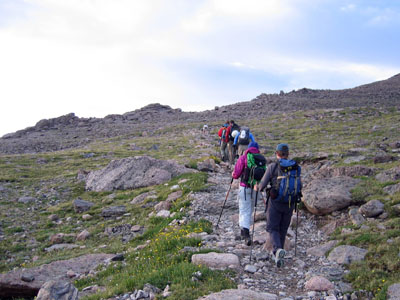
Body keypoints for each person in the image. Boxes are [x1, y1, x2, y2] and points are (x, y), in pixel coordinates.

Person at [257, 143, 302, 268]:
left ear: (277, 153)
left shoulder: (273, 166)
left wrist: (258, 187)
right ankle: (279, 255)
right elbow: (300, 184)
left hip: (275, 201)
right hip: (290, 202)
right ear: (288, 154)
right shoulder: (295, 167)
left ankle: (277, 250)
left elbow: (262, 185)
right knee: (283, 228)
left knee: (272, 227)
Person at [231, 141, 263, 246]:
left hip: (244, 187)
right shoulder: (261, 160)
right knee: (250, 209)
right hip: (256, 188)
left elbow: (236, 174)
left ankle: (246, 234)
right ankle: (243, 232)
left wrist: (233, 174)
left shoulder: (244, 158)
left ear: (248, 148)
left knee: (244, 209)